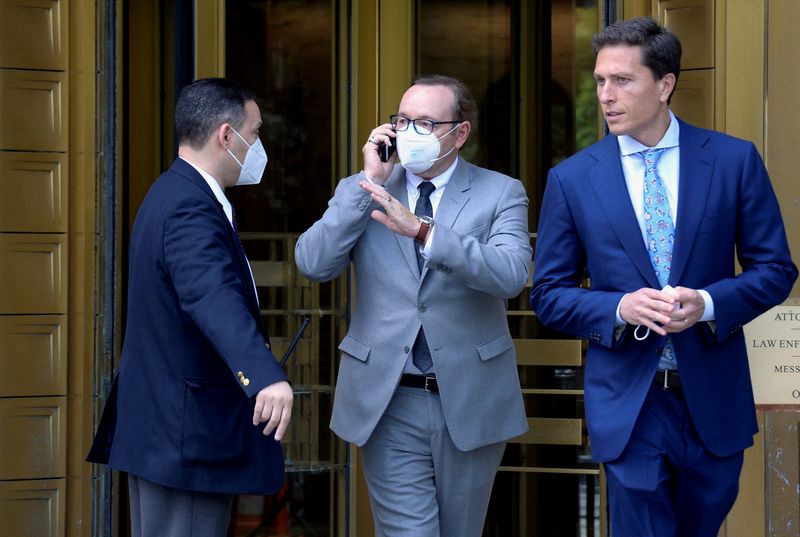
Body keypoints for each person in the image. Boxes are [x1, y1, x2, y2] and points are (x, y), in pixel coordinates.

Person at [530, 17, 797, 537]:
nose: (606, 95)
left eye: (622, 81)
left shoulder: (732, 160)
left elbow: (776, 270)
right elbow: (548, 294)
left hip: (713, 399)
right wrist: (618, 308)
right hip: (630, 399)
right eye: (600, 81)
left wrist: (708, 302)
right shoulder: (572, 178)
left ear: (666, 84)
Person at [295, 74, 530, 536]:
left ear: (459, 133)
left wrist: (426, 233)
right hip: (388, 396)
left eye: (425, 122)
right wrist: (368, 182)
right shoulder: (364, 188)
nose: (409, 133)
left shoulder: (500, 191)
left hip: (470, 394)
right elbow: (313, 262)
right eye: (402, 121)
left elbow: (511, 275)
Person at [87, 78, 293, 537]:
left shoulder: (173, 192)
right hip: (185, 436)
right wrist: (264, 375)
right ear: (226, 135)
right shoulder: (189, 207)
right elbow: (211, 296)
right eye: (255, 133)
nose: (259, 145)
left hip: (167, 432)